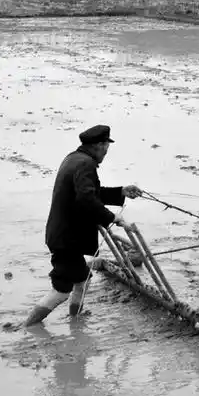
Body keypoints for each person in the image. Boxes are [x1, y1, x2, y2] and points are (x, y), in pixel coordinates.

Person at [25, 124, 142, 327]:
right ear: (98, 145)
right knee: (61, 291)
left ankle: (75, 320)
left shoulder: (74, 159)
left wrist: (121, 191)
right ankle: (28, 327)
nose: (106, 152)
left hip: (63, 235)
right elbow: (87, 199)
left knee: (83, 279)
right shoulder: (85, 165)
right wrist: (113, 218)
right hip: (67, 239)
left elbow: (90, 193)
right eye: (106, 147)